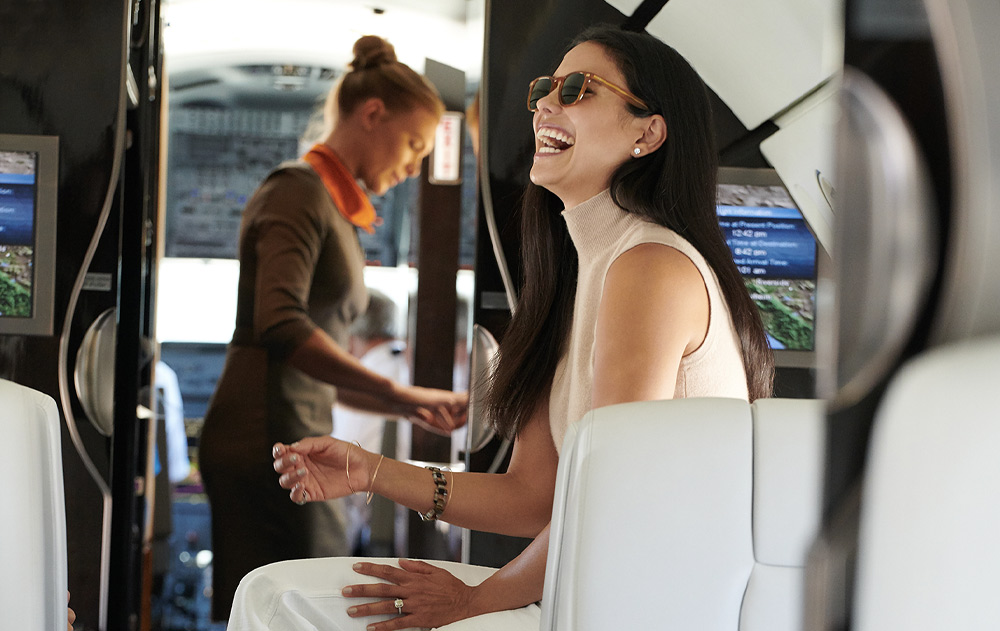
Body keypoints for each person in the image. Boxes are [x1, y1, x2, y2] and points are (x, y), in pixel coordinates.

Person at [231, 24, 774, 630]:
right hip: (594, 581)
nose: (544, 102)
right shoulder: (581, 277)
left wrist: (476, 599)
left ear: (647, 133)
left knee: (279, 600)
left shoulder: (650, 267)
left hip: (652, 604)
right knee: (275, 594)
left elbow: (614, 494)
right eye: (546, 88)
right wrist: (370, 470)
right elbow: (531, 496)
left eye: (577, 89)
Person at [198, 34, 468, 621]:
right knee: (302, 604)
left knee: (303, 602)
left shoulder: (331, 205)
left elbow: (308, 358)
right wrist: (398, 391)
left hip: (292, 417)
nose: (414, 164)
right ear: (373, 114)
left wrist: (407, 407)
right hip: (266, 430)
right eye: (413, 143)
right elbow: (281, 326)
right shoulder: (297, 191)